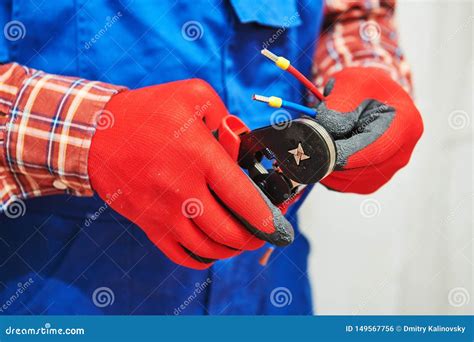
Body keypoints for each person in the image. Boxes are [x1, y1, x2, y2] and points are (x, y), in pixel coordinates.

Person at [0, 0, 422, 314]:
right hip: (56, 293)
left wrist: (371, 68)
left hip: (268, 291)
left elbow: (352, 13)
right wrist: (90, 134)